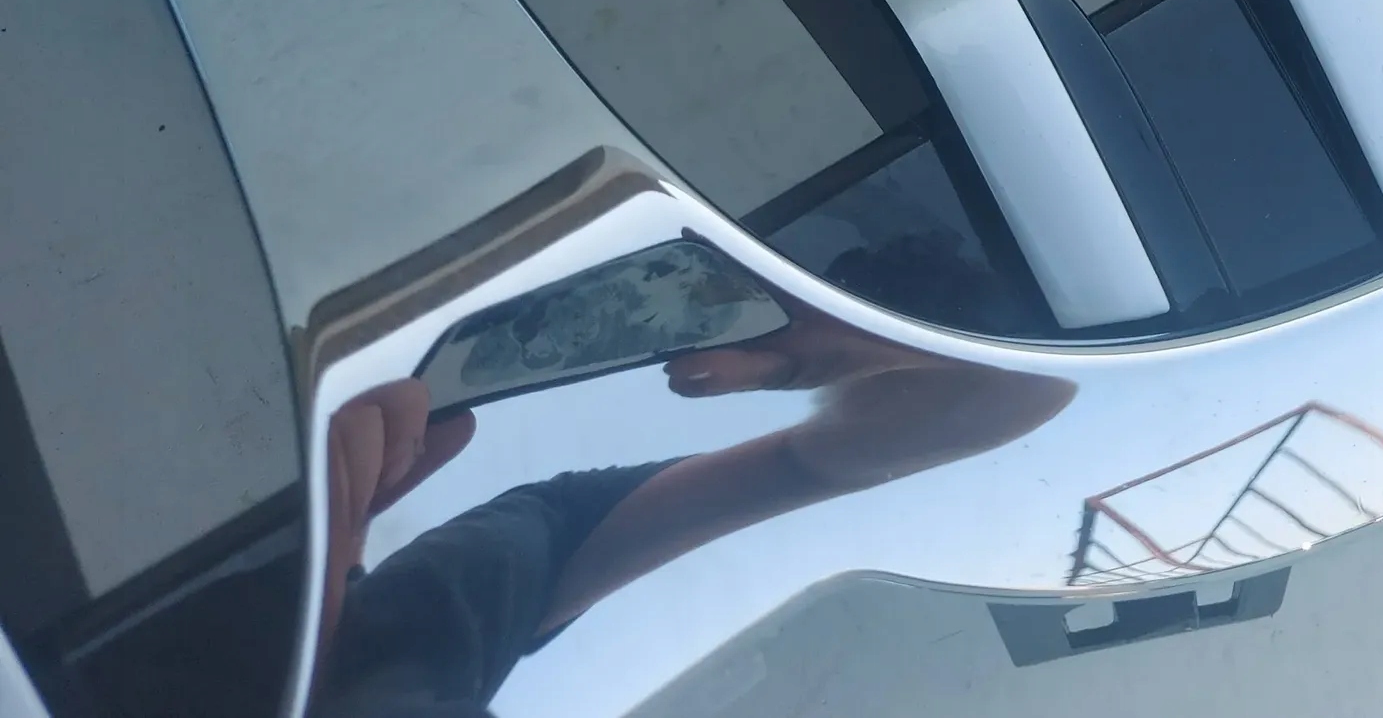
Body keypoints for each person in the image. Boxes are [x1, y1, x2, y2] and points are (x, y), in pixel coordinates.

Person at [311, 285, 1074, 715]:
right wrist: (864, 344)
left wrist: (326, 565)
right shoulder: (455, 611)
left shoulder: (440, 617)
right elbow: (1028, 390)